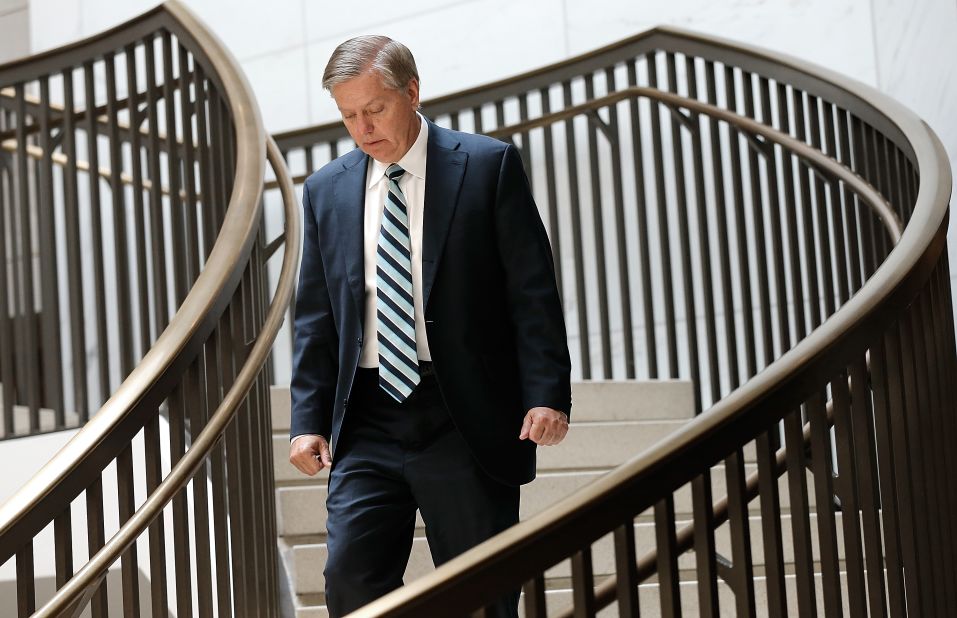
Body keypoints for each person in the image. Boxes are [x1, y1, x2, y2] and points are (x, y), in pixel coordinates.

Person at [288, 35, 572, 618]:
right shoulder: (325, 191)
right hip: (367, 417)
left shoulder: (487, 166)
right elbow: (316, 320)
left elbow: (531, 292)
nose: (362, 129)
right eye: (348, 116)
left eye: (374, 110)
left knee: (482, 591)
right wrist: (306, 423)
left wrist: (546, 394)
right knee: (350, 584)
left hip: (461, 412)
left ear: (412, 92)